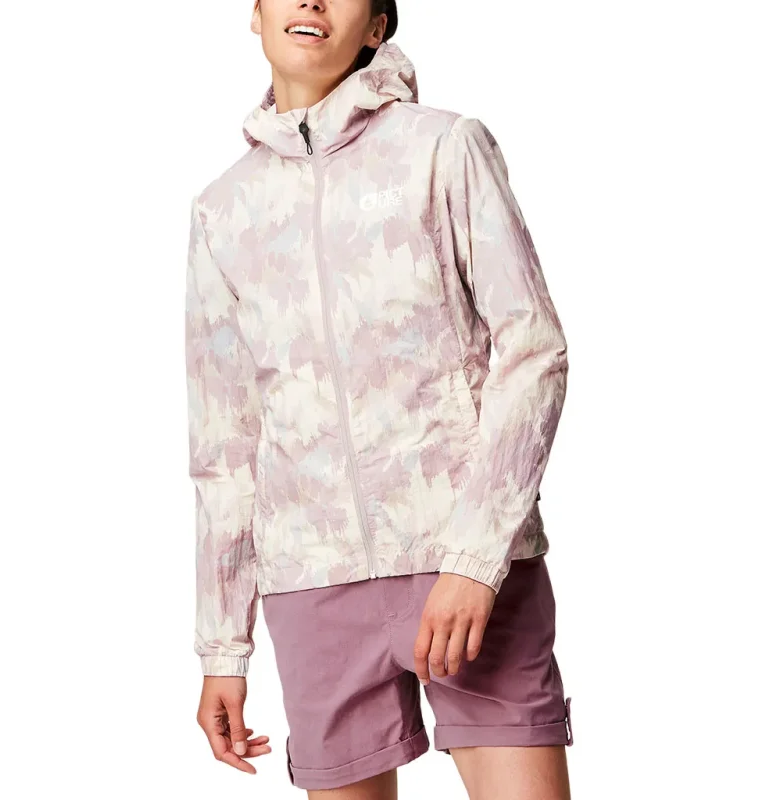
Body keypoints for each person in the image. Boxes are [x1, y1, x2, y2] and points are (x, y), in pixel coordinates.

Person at [185, 1, 573, 797]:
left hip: (465, 570)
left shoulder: (443, 149)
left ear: (377, 27)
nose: (311, 1)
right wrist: (223, 647)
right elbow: (225, 442)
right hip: (311, 584)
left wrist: (474, 559)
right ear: (255, 14)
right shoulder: (222, 211)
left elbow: (533, 350)